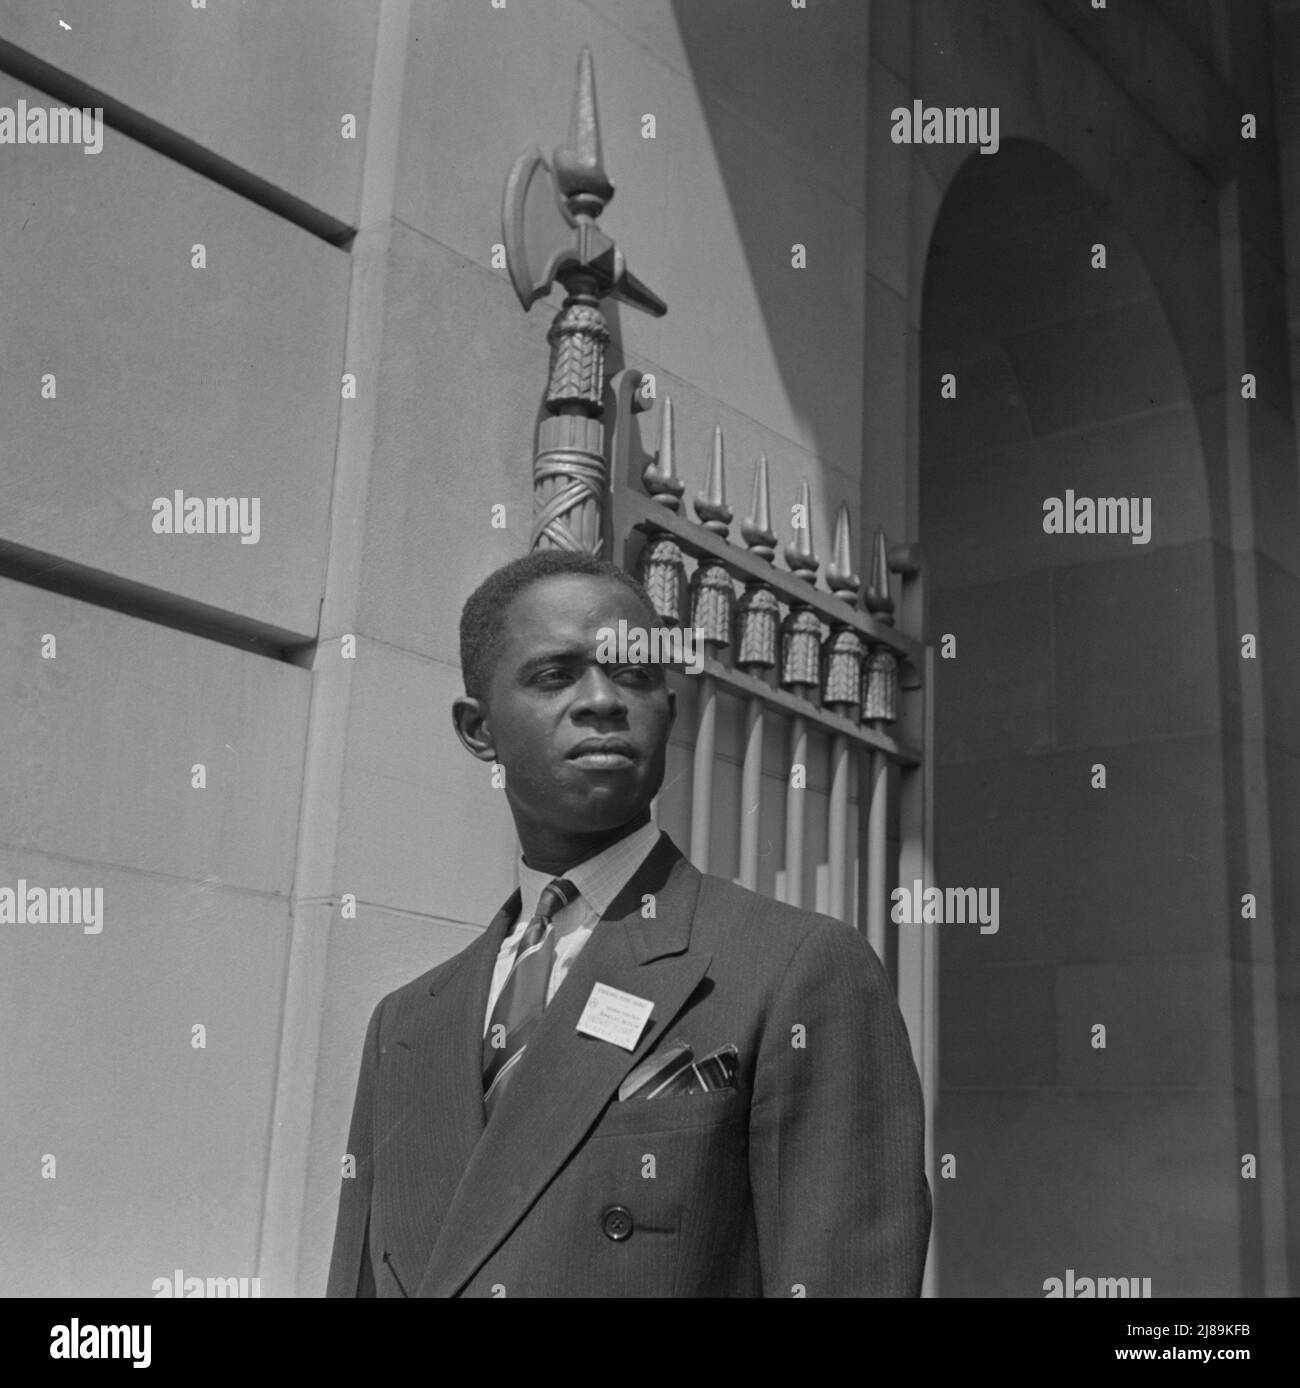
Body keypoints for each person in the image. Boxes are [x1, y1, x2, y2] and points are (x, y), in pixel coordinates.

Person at [326, 548, 931, 1297]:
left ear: (669, 711)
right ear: (478, 730)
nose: (603, 701)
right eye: (555, 675)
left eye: (635, 674)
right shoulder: (405, 1025)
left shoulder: (794, 966)